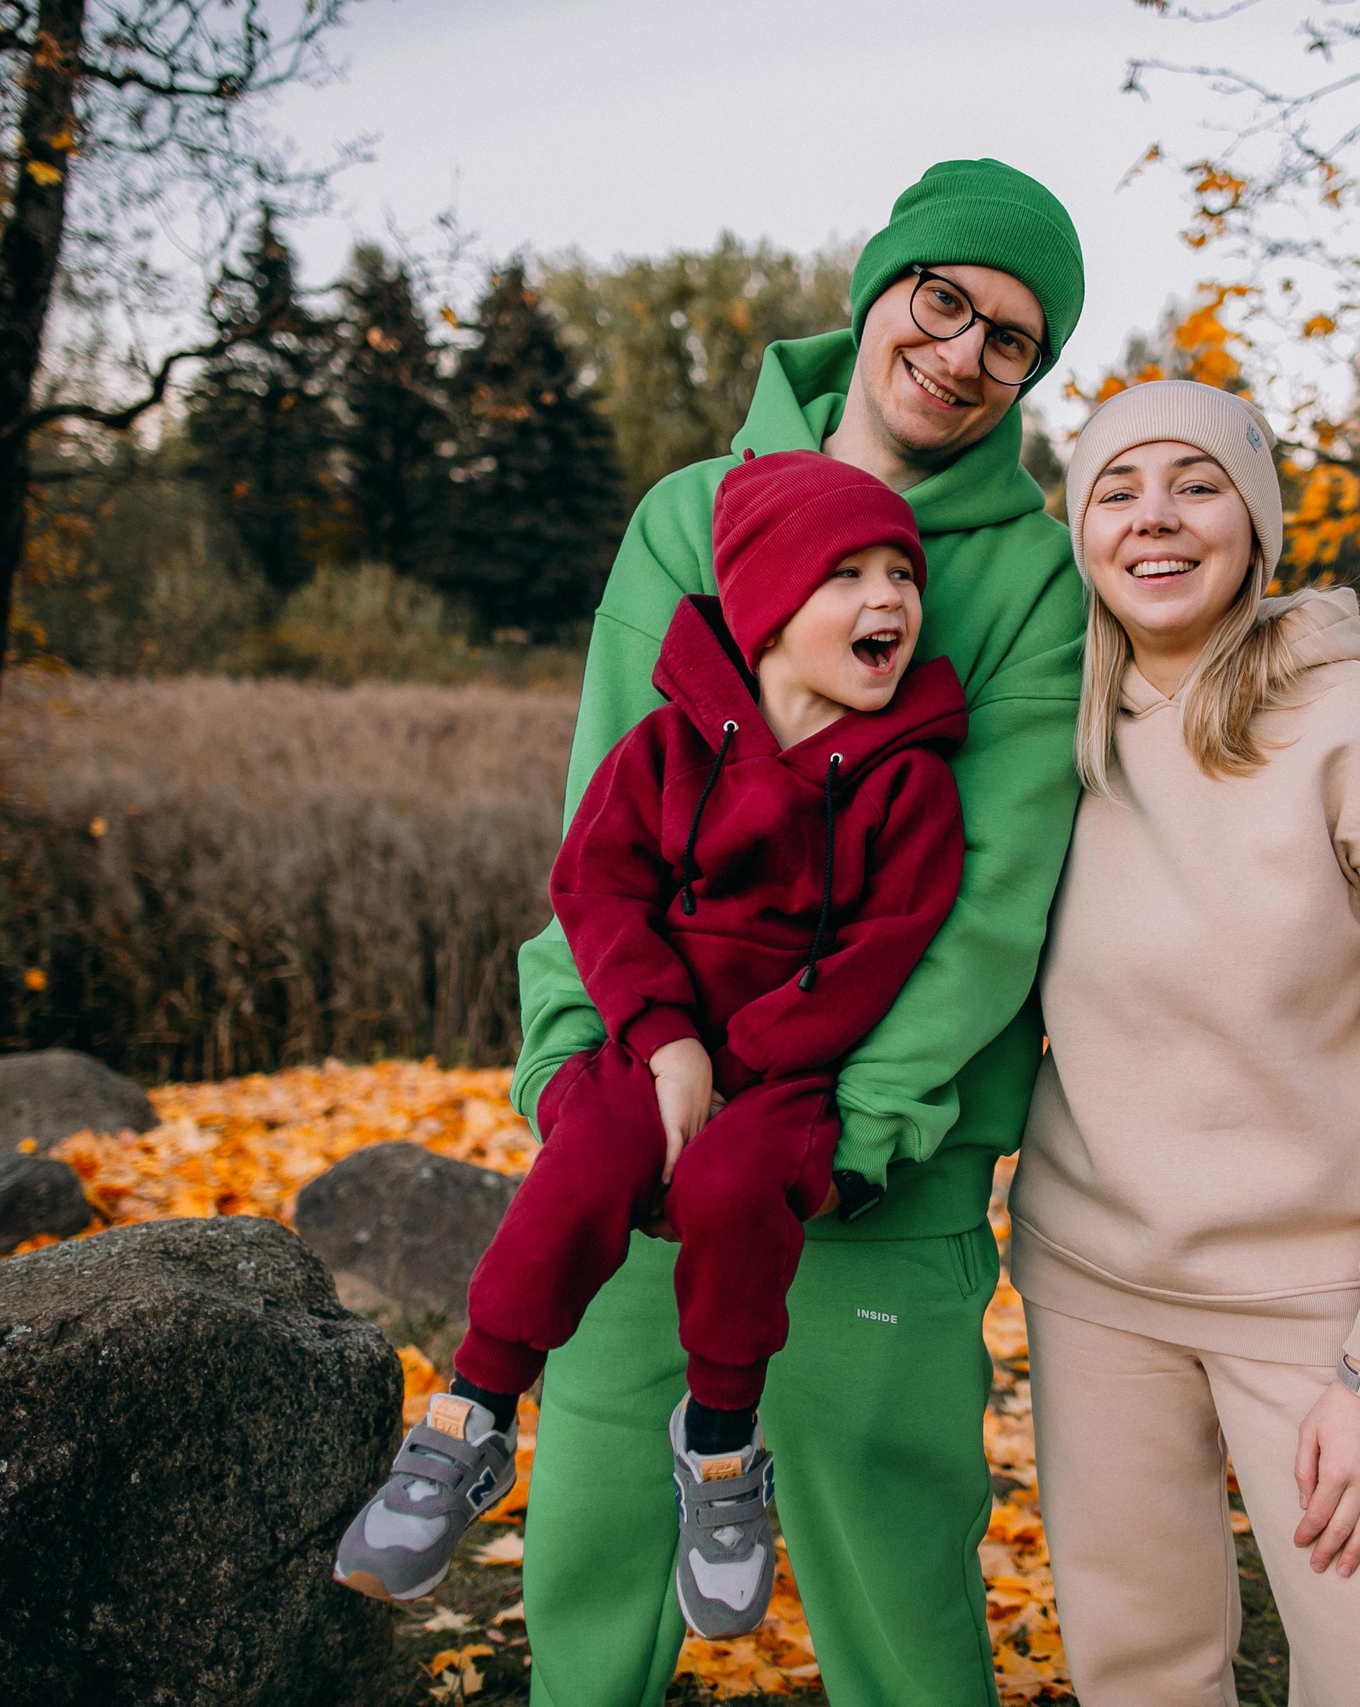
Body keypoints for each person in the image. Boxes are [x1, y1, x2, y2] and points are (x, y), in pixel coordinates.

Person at [507, 159, 1088, 1707]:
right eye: (944, 297)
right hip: (659, 1107)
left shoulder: (1033, 572)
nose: (963, 350)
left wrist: (859, 1120)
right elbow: (599, 829)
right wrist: (582, 1059)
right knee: (588, 1545)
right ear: (880, 287)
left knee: (892, 1572)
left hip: (873, 1155)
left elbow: (990, 895)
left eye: (1013, 339)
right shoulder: (689, 515)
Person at [333, 450, 967, 1637]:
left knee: (735, 1186)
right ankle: (470, 1417)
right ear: (770, 606)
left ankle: (721, 1448)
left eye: (903, 576)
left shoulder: (910, 786)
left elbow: (887, 946)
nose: (889, 599)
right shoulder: (670, 751)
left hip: (790, 1070)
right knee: (589, 1151)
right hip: (654, 1038)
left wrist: (751, 1066)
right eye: (849, 576)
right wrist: (668, 1042)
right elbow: (598, 889)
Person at [1009, 380, 1360, 1705]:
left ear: (1258, 521)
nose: (1154, 519)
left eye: (1197, 482)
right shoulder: (1057, 733)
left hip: (1324, 1314)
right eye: (1116, 488)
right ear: (1080, 528)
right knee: (1144, 1674)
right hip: (1095, 1288)